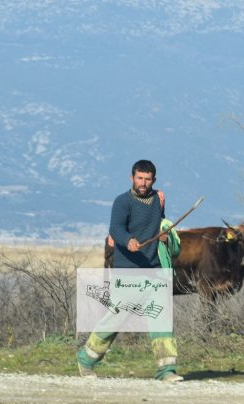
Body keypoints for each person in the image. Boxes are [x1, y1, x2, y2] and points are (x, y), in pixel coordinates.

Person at [77, 159, 182, 383]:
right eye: (139, 178)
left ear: (154, 180)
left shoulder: (158, 199)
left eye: (147, 179)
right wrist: (128, 240)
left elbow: (161, 223)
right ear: (131, 178)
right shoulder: (122, 202)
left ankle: (167, 371)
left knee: (162, 320)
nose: (143, 183)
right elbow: (115, 228)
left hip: (155, 270)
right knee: (117, 318)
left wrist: (165, 234)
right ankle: (86, 359)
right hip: (129, 271)